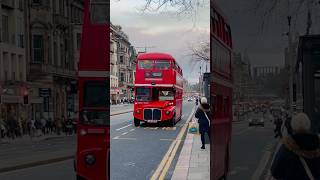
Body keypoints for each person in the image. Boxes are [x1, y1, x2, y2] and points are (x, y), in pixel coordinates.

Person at [271, 113, 320, 180]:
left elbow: (275, 171)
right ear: (309, 126)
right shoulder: (317, 146)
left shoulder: (287, 147)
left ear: (293, 126)